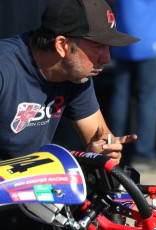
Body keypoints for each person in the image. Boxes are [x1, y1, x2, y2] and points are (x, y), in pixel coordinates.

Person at [0, 0, 139, 229]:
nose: (107, 58)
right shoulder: (5, 67)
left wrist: (99, 155)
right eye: (98, 47)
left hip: (32, 195)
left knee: (122, 181)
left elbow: (102, 142)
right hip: (11, 199)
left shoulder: (77, 75)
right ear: (62, 45)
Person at [109, 0, 156, 170]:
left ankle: (114, 150)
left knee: (120, 96)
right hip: (151, 41)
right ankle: (144, 154)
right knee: (150, 100)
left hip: (124, 39)